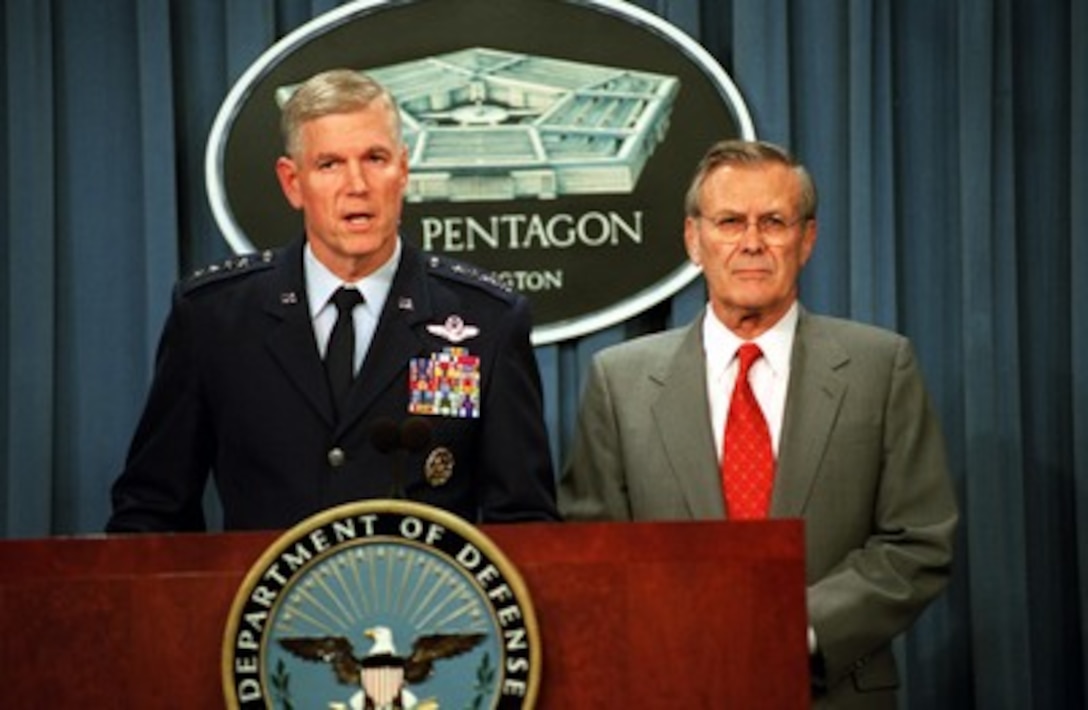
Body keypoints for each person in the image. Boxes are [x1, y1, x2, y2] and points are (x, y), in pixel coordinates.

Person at [558, 139, 957, 708]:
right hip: (673, 688)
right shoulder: (619, 382)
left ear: (807, 239)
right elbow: (594, 556)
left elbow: (919, 541)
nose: (751, 243)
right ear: (694, 239)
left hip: (832, 690)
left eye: (773, 221)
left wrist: (796, 626)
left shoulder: (880, 368)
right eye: (729, 222)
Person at [107, 69, 558, 532]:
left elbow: (524, 523)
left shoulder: (485, 321)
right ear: (292, 182)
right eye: (330, 164)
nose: (357, 184)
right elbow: (151, 514)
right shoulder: (213, 319)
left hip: (421, 601)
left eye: (375, 158)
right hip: (264, 602)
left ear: (403, 169)